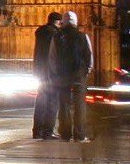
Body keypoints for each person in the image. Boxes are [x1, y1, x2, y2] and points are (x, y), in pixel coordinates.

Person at [51, 10, 94, 142]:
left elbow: (52, 57)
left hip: (62, 76)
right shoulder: (83, 36)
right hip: (79, 76)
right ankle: (79, 135)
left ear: (63, 22)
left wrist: (55, 73)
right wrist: (86, 71)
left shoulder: (57, 37)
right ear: (75, 22)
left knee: (64, 104)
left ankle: (65, 134)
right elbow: (89, 56)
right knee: (80, 105)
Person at [32, 11, 63, 139]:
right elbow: (54, 56)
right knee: (53, 102)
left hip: (40, 71)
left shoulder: (40, 33)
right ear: (57, 22)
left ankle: (37, 131)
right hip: (52, 73)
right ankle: (48, 131)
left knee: (40, 101)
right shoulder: (55, 34)